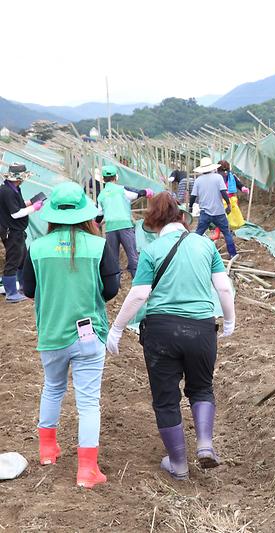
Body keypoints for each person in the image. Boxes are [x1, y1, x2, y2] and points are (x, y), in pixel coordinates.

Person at [105, 192, 235, 481]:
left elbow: (140, 294)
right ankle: (204, 445)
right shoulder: (205, 245)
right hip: (201, 329)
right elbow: (224, 289)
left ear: (153, 224)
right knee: (201, 388)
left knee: (166, 399)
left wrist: (116, 329)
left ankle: (178, 465)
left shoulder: (152, 251)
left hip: (161, 331)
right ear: (183, 218)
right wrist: (229, 320)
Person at [21, 182, 121, 488]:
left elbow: (28, 290)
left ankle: (48, 450)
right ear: (85, 214)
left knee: (52, 388)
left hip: (51, 332)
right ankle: (87, 471)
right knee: (88, 402)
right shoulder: (99, 246)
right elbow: (111, 289)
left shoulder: (36, 248)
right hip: (89, 335)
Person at [95, 165, 153, 277]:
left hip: (110, 228)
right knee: (132, 256)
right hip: (125, 226)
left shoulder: (101, 195)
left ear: (102, 179)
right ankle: (136, 280)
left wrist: (96, 224)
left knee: (113, 259)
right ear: (116, 177)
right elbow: (138, 193)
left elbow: (99, 215)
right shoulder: (122, 190)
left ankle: (115, 283)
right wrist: (147, 192)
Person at [0, 163, 43, 302]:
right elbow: (15, 213)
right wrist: (34, 208)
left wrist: (30, 202)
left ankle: (22, 287)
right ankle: (11, 293)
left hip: (17, 231)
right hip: (11, 231)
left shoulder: (14, 189)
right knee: (13, 261)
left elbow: (17, 205)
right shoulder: (7, 191)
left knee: (22, 259)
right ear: (20, 178)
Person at [189, 157, 237, 259]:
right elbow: (223, 192)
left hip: (205, 213)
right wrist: (228, 204)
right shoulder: (218, 178)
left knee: (198, 234)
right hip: (219, 212)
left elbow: (193, 196)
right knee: (226, 233)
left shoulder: (198, 180)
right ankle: (232, 254)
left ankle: (192, 253)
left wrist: (190, 206)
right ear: (212, 168)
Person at [214, 160, 249, 238]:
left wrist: (243, 188)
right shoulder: (218, 176)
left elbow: (238, 184)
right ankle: (221, 231)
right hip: (222, 200)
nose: (225, 172)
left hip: (229, 200)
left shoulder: (231, 176)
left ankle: (229, 231)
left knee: (230, 216)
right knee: (223, 216)